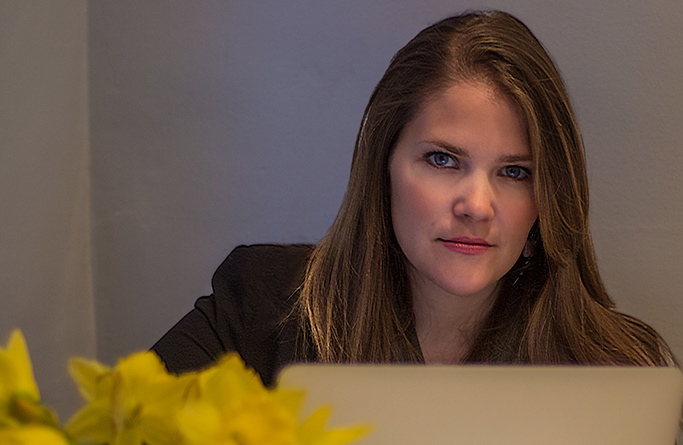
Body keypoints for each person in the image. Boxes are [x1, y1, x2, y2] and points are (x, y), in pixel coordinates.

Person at [152, 10, 676, 384]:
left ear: (548, 199)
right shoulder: (257, 312)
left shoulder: (619, 369)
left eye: (514, 171)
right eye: (443, 160)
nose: (476, 204)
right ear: (382, 166)